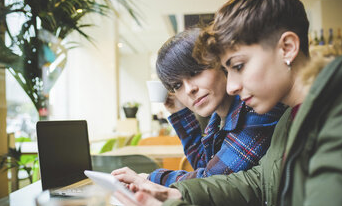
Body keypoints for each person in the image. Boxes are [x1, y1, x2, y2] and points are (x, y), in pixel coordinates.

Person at [114, 0, 342, 206]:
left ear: (287, 48)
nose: (231, 86)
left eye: (238, 66)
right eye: (227, 69)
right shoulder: (290, 120)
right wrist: (179, 194)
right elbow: (257, 185)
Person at [114, 28, 285, 187]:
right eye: (177, 85)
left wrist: (149, 179)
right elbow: (203, 164)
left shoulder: (255, 108)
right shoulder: (216, 120)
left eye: (195, 72)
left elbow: (211, 179)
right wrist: (179, 112)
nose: (189, 90)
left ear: (221, 64)